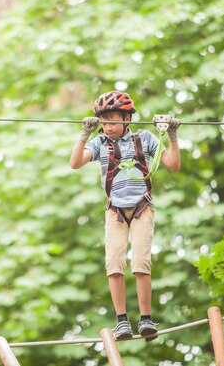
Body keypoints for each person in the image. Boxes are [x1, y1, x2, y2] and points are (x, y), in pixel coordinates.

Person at [69, 91, 181, 340]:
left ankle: (145, 319)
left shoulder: (145, 139)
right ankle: (122, 321)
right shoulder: (99, 143)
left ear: (127, 118)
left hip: (142, 206)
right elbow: (75, 163)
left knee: (141, 262)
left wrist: (172, 137)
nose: (108, 127)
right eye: (104, 121)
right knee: (114, 263)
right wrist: (84, 135)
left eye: (113, 120)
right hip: (115, 210)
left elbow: (173, 164)